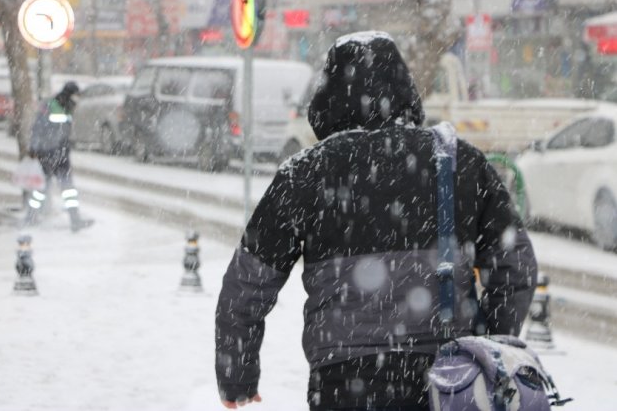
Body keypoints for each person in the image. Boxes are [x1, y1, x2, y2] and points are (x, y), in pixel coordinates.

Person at [214, 32, 537, 410]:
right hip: (448, 383)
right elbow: (516, 267)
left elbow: (247, 286)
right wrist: (488, 344)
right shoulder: (458, 163)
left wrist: (237, 376)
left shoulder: (306, 172)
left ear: (328, 97)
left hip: (342, 382)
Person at [24, 81, 93, 232]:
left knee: (68, 189)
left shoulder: (68, 108)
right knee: (41, 189)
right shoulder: (49, 106)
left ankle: (75, 219)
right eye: (75, 96)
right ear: (68, 95)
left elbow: (65, 130)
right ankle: (30, 217)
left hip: (62, 154)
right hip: (47, 154)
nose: (76, 101)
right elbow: (38, 127)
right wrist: (34, 148)